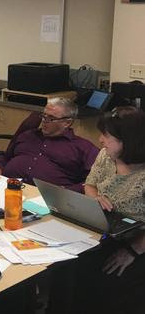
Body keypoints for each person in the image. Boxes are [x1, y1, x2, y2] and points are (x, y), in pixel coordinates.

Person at [47, 106, 145, 314]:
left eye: (106, 135)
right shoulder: (106, 155)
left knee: (104, 284)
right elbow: (89, 185)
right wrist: (95, 199)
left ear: (128, 140)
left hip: (134, 241)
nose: (100, 140)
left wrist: (131, 251)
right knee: (62, 270)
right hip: (99, 227)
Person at [0, 97, 98, 192]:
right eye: (44, 116)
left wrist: (67, 191)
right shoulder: (28, 135)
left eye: (50, 118)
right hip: (5, 188)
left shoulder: (83, 148)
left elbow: (93, 182)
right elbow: (6, 156)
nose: (44, 121)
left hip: (47, 199)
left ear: (67, 123)